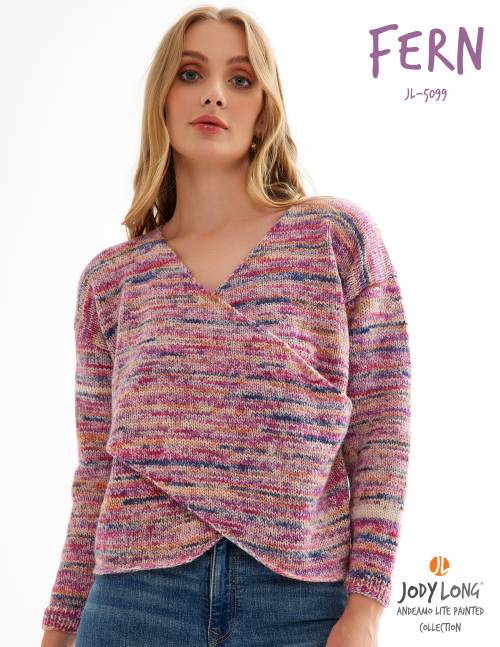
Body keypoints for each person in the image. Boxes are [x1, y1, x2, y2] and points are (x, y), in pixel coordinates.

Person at [41, 5, 411, 647]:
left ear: (264, 110)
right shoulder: (110, 281)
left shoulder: (335, 239)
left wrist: (367, 609)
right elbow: (96, 471)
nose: (214, 92)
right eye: (191, 73)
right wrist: (59, 626)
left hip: (300, 603)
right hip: (135, 602)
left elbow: (382, 432)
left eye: (240, 79)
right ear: (161, 98)